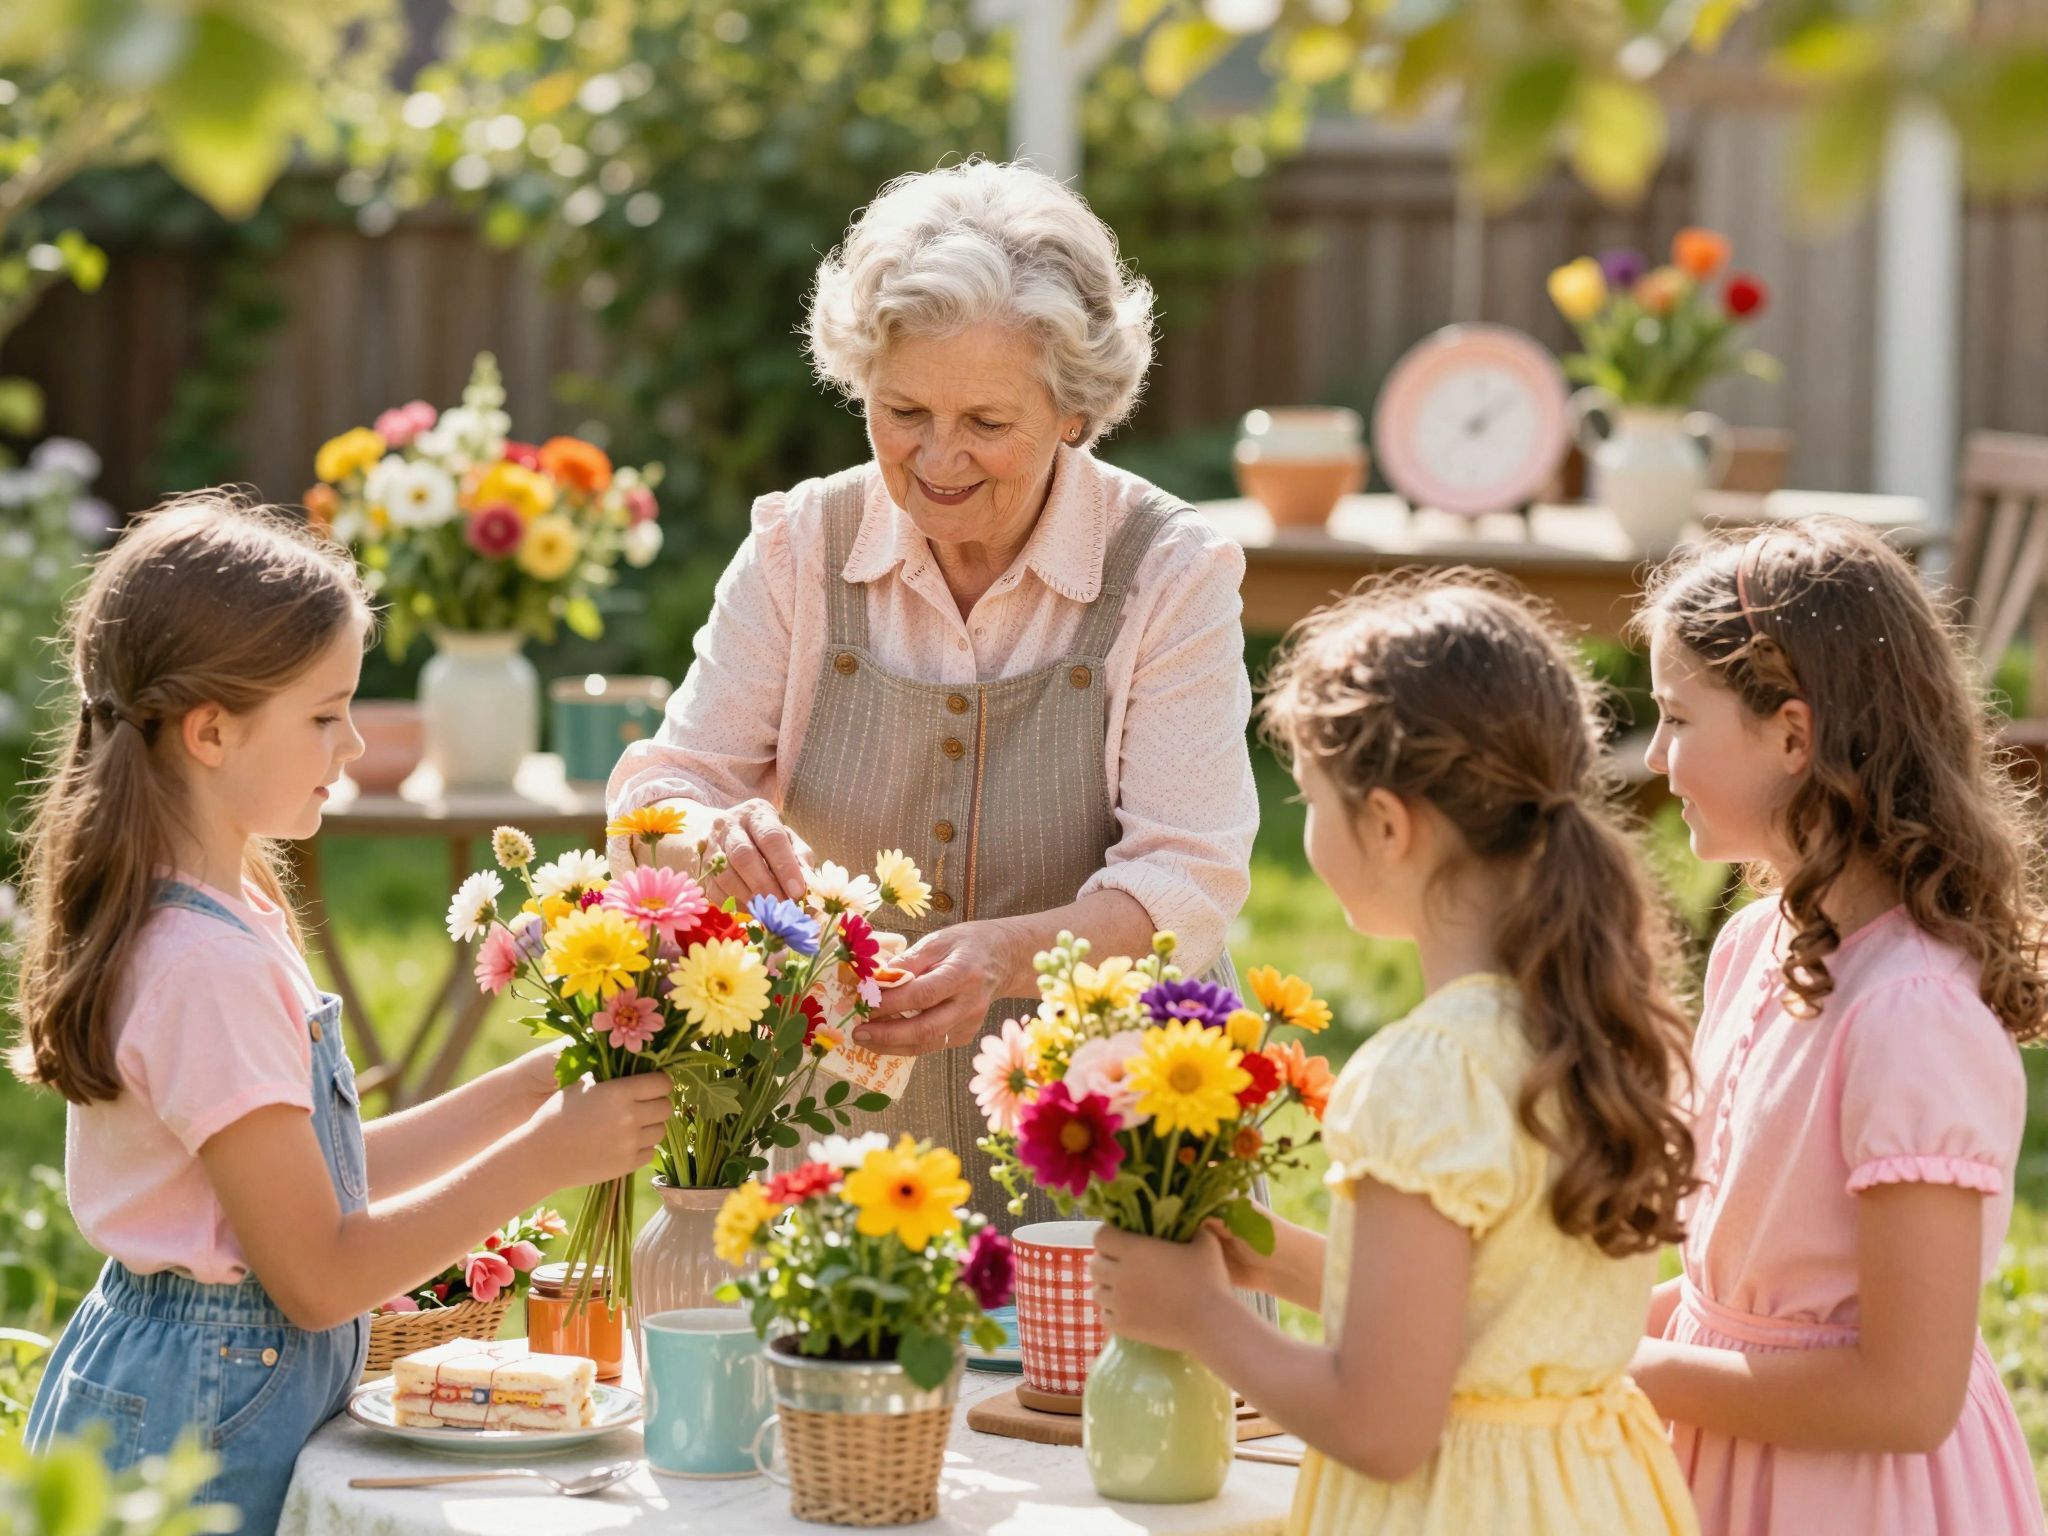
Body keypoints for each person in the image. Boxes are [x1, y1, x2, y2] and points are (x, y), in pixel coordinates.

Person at [608, 159, 1257, 1220]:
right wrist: (705, 833)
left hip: (1110, 1143)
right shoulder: (797, 550)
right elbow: (665, 786)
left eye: (986, 424)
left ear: (1074, 412)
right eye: (902, 409)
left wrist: (1000, 956)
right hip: (842, 1148)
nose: (938, 458)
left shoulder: (1167, 570)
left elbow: (1184, 875)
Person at [14, 495, 668, 1531]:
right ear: (212, 730)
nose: (354, 742)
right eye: (324, 715)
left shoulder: (229, 908)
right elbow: (320, 1275)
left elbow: (328, 1179)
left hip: (203, 1386)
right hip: (187, 1425)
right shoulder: (201, 967)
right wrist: (545, 1159)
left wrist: (530, 1090)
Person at [1091, 574, 1701, 1535]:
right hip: (1591, 1496)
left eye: (1312, 799)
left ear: (1385, 823)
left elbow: (1381, 1425)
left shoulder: (1424, 1076)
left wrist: (1198, 1318)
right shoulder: (1590, 1026)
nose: (1309, 829)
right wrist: (1283, 1263)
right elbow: (1490, 1304)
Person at [1629, 519, 2045, 1535]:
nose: (1652, 756)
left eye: (1678, 720)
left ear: (1790, 735)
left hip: (1849, 1498)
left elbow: (1902, 1399)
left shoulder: (1909, 1015)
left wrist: (1620, 1369)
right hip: (1718, 1459)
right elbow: (1728, 1283)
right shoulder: (1751, 944)